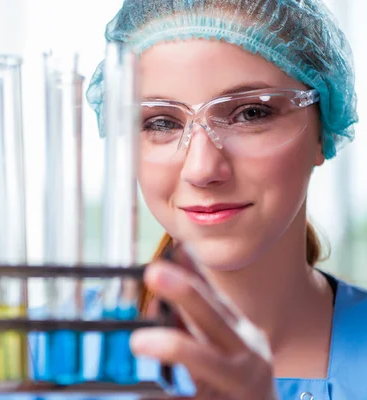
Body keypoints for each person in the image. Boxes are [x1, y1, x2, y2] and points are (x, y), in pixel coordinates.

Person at [85, 0, 362, 398]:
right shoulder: (44, 355)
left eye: (251, 113)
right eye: (161, 122)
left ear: (322, 130)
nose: (202, 169)